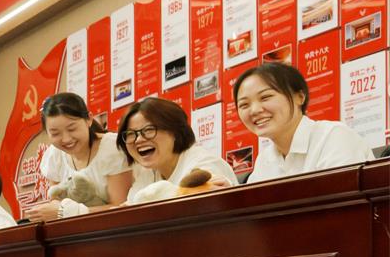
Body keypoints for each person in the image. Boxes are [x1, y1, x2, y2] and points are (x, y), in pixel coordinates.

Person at [235, 62, 374, 182]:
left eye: (266, 97)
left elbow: (344, 200)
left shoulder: (334, 137)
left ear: (300, 97)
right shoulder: (264, 160)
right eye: (244, 105)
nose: (254, 110)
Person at [25, 91, 131, 220]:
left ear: (89, 120)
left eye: (72, 129)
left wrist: (66, 212)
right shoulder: (55, 155)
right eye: (55, 133)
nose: (66, 139)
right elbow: (56, 202)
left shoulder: (111, 148)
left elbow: (121, 208)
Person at [116, 97, 236, 201]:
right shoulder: (147, 174)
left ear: (174, 132)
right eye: (130, 134)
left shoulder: (204, 163)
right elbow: (130, 208)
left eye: (149, 130)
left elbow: (207, 204)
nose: (138, 140)